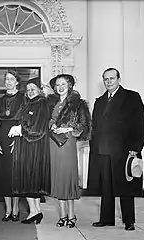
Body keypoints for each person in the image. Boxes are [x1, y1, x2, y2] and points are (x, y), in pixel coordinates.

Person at [88, 68, 144, 231]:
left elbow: (140, 124)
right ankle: (106, 219)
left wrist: (135, 148)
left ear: (119, 79)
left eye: (111, 78)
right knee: (105, 187)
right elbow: (96, 127)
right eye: (105, 79)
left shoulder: (131, 97)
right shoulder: (99, 101)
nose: (108, 82)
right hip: (103, 151)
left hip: (124, 150)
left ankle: (129, 220)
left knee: (125, 187)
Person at [47, 74, 91, 228]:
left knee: (68, 178)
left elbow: (84, 126)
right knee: (58, 178)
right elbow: (47, 121)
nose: (60, 87)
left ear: (70, 85)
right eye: (57, 84)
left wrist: (68, 128)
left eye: (63, 84)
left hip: (67, 142)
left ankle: (72, 215)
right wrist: (51, 125)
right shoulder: (51, 103)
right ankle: (63, 215)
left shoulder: (77, 104)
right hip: (53, 143)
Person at [9, 77, 51, 224]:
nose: (30, 91)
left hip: (34, 146)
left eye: (33, 89)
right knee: (30, 180)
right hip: (26, 145)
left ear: (40, 90)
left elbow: (37, 129)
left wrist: (21, 130)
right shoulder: (29, 104)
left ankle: (34, 211)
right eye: (28, 90)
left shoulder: (41, 104)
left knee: (30, 179)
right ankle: (36, 210)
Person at [0, 69, 26, 222]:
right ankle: (8, 209)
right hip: (2, 140)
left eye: (11, 79)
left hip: (17, 138)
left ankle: (16, 208)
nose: (8, 82)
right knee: (5, 175)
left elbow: (26, 120)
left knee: (16, 175)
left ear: (17, 82)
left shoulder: (23, 98)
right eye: (6, 79)